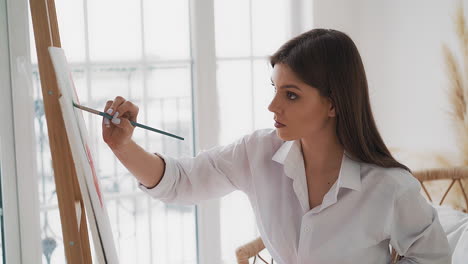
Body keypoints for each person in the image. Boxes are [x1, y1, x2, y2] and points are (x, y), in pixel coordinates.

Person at [102, 29, 451, 264]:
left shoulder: (388, 188)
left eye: (292, 95)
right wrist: (124, 147)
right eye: (275, 89)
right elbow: (181, 181)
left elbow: (432, 257)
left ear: (333, 104)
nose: (273, 107)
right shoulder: (258, 152)